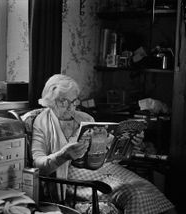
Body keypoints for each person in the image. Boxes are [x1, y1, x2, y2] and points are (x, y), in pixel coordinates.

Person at [31, 74, 177, 214]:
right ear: (50, 101)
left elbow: (108, 154)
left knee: (147, 187)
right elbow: (38, 164)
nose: (70, 107)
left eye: (74, 101)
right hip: (74, 176)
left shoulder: (85, 117)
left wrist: (128, 145)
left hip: (105, 168)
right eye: (63, 102)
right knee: (133, 193)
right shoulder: (42, 122)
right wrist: (62, 155)